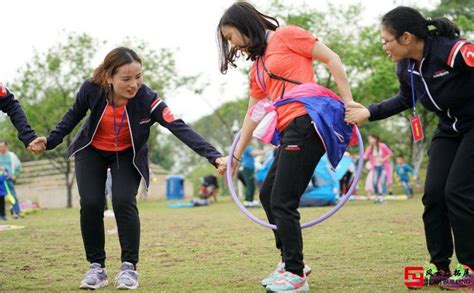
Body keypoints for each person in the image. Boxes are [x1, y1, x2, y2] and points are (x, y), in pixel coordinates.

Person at [29, 47, 226, 290]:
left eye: (138, 77)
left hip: (127, 155)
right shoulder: (92, 88)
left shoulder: (147, 98)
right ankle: (96, 268)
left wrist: (214, 156)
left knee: (123, 201)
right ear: (108, 77)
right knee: (91, 203)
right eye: (126, 79)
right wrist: (49, 141)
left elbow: (179, 127)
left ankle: (129, 267)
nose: (134, 84)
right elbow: (72, 116)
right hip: (92, 151)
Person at [217, 2, 356, 291]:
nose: (233, 46)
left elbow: (332, 58)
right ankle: (290, 262)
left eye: (231, 37)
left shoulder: (287, 36)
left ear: (245, 25)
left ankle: (295, 274)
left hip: (308, 121)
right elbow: (251, 114)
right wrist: (236, 156)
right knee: (268, 195)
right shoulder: (256, 69)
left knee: (282, 198)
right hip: (287, 130)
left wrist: (349, 101)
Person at [345, 6, 474, 290]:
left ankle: (470, 268)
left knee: (458, 191)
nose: (383, 47)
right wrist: (369, 112)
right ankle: (440, 266)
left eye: (385, 40)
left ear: (405, 37)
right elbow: (405, 99)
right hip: (449, 130)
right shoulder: (406, 67)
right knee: (434, 194)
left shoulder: (452, 50)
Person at [363, 134, 393, 203]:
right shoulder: (370, 148)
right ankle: (377, 196)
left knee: (382, 182)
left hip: (383, 167)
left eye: (371, 139)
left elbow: (390, 154)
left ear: (375, 139)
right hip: (376, 168)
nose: (369, 140)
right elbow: (365, 157)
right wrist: (352, 156)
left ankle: (382, 198)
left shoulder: (382, 146)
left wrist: (383, 159)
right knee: (375, 182)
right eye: (369, 139)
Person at [0, 141, 24, 218]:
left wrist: (15, 175)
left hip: (8, 179)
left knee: (12, 196)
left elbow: (19, 166)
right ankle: (2, 215)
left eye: (2, 146)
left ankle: (16, 212)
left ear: (6, 146)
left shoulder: (12, 155)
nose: (1, 148)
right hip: (0, 179)